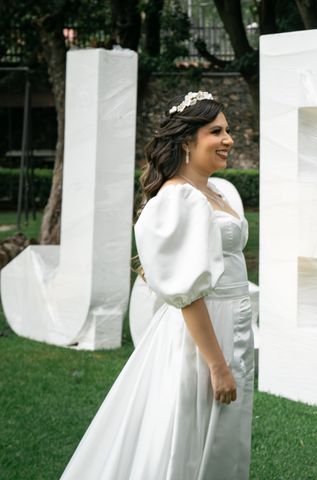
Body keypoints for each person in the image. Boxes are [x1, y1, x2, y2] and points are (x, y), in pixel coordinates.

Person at [61, 92, 254, 479]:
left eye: (229, 130)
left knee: (225, 436)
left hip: (233, 324)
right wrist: (216, 365)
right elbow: (188, 293)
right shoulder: (178, 198)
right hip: (202, 336)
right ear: (187, 141)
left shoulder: (217, 192)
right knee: (190, 436)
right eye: (216, 131)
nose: (229, 139)